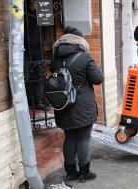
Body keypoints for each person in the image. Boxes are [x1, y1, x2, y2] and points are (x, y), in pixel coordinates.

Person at [52, 26, 104, 183]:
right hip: (82, 105)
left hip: (63, 104)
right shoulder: (84, 57)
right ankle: (84, 173)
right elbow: (98, 78)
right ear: (80, 42)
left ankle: (70, 173)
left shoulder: (55, 57)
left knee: (69, 137)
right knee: (83, 138)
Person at [24, 0, 49, 110]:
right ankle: (24, 100)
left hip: (38, 48)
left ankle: (38, 101)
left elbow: (46, 29)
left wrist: (41, 40)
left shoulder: (42, 13)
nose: (36, 3)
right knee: (24, 74)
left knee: (39, 73)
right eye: (34, 1)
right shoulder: (24, 12)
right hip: (25, 48)